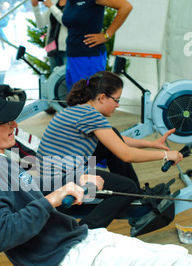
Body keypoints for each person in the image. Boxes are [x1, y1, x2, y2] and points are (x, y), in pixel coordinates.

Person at [0, 91, 192, 266]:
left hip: (76, 242)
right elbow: (0, 235)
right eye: (5, 121)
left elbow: (32, 185)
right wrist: (53, 199)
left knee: (176, 255)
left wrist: (76, 180)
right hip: (65, 262)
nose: (14, 123)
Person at [36, 71, 183, 230]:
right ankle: (83, 231)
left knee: (113, 134)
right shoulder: (90, 115)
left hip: (53, 174)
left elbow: (113, 141)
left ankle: (136, 196)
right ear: (102, 97)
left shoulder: (80, 110)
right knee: (127, 188)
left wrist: (152, 144)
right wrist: (167, 154)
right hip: (58, 181)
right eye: (116, 100)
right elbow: (126, 155)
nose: (118, 105)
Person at [53, 0, 133, 90]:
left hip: (89, 58)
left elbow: (125, 6)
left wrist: (107, 35)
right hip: (73, 56)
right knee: (75, 102)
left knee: (89, 101)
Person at [31, 0, 68, 71]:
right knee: (55, 80)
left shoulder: (72, 2)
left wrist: (51, 6)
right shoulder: (55, 0)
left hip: (67, 48)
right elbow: (41, 24)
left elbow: (66, 22)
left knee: (67, 79)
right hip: (52, 47)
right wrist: (36, 8)